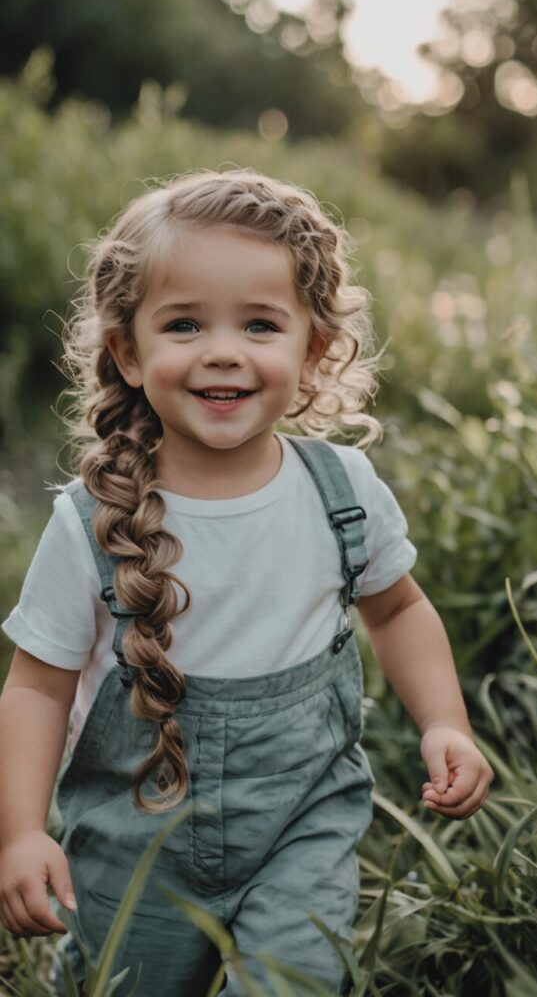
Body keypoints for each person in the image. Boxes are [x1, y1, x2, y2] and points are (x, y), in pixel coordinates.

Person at [0, 168, 493, 996]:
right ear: (128, 350)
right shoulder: (89, 521)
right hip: (135, 837)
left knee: (294, 980)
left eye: (260, 325)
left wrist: (446, 720)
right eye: (184, 323)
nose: (222, 350)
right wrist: (19, 830)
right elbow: (37, 688)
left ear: (313, 350)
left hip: (304, 821)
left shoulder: (341, 491)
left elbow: (400, 609)